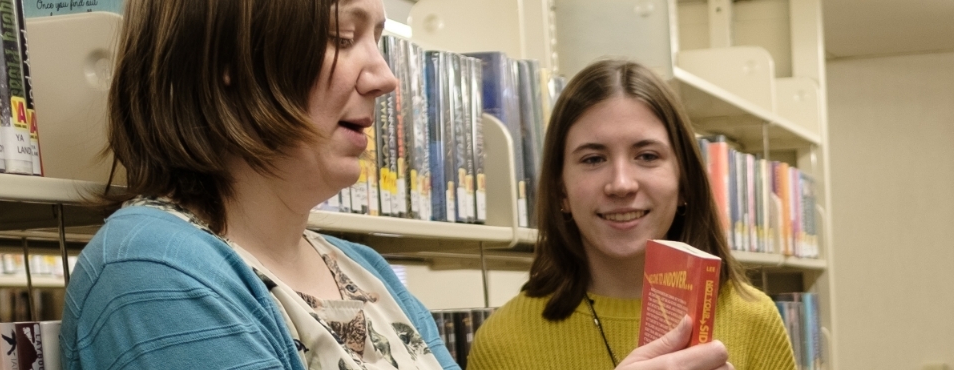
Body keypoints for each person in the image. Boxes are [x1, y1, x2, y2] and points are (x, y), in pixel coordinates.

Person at [61, 0, 728, 368]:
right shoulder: (152, 269)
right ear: (229, 57)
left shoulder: (366, 272)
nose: (384, 77)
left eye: (378, 38)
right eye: (342, 36)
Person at [465, 59, 797, 370]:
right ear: (560, 191)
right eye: (593, 159)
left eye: (648, 156)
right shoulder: (502, 344)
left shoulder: (755, 320)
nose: (621, 184)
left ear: (684, 184)